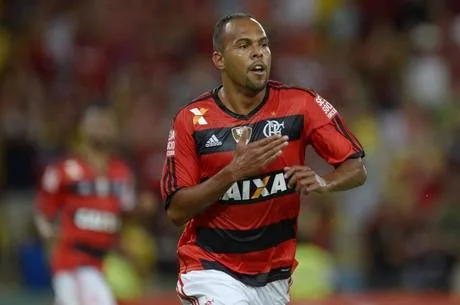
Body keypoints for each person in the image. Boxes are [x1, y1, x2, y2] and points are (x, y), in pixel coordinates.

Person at [160, 13, 367, 305]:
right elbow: (176, 211)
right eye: (244, 45)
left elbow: (356, 167)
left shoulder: (301, 105)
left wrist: (324, 182)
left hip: (274, 278)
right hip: (211, 268)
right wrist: (233, 173)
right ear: (219, 59)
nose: (258, 52)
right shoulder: (191, 121)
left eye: (263, 44)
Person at [34, 104, 136, 305]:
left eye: (106, 123)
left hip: (106, 262)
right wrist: (47, 235)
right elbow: (42, 211)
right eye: (96, 122)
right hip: (72, 260)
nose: (102, 128)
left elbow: (124, 215)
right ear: (82, 127)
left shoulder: (122, 172)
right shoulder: (63, 170)